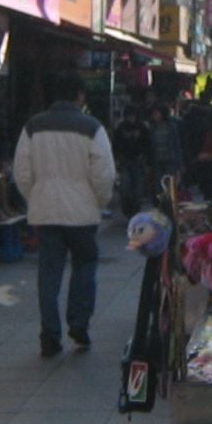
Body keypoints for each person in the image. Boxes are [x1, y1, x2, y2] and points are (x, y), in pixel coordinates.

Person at [13, 69, 115, 357]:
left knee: (49, 274)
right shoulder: (92, 127)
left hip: (45, 212)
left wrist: (35, 196)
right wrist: (100, 201)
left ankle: (49, 334)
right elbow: (104, 173)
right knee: (85, 264)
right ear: (80, 95)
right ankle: (79, 324)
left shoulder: (33, 127)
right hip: (82, 213)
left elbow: (21, 171)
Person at [111, 104, 150, 216]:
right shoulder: (121, 128)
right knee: (125, 187)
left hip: (138, 160)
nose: (131, 118)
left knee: (138, 190)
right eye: (129, 115)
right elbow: (115, 145)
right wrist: (116, 159)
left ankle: (135, 209)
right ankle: (127, 209)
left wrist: (147, 161)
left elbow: (147, 145)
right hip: (125, 160)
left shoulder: (142, 128)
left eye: (133, 115)